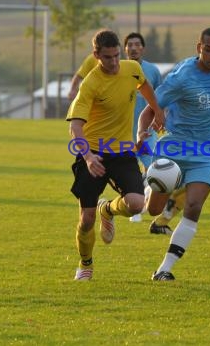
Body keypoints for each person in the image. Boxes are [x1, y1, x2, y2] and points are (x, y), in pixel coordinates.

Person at [66, 29, 164, 281]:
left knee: (136, 204)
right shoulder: (91, 83)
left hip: (122, 151)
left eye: (116, 56)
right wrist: (88, 157)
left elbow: (145, 86)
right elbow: (75, 126)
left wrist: (157, 110)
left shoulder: (131, 68)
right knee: (86, 221)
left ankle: (107, 210)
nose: (113, 62)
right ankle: (85, 263)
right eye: (107, 57)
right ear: (96, 55)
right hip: (94, 155)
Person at [138, 27, 210, 281]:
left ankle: (165, 269)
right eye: (209, 50)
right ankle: (145, 188)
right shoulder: (181, 78)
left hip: (207, 151)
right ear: (198, 48)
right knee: (152, 208)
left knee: (193, 205)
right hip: (175, 145)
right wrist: (141, 133)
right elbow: (150, 109)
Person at [148, 47, 210, 235]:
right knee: (160, 195)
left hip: (205, 148)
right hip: (178, 143)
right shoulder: (189, 78)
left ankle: (163, 220)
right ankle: (149, 194)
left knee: (195, 192)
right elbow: (168, 100)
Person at [123, 32, 163, 223]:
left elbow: (161, 98)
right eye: (129, 44)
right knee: (128, 169)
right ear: (124, 49)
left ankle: (143, 200)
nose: (133, 48)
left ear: (143, 48)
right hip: (122, 131)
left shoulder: (153, 71)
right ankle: (135, 208)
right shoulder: (119, 69)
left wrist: (161, 118)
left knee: (151, 167)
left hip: (147, 130)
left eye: (137, 44)